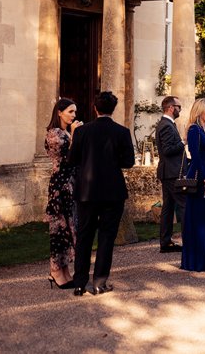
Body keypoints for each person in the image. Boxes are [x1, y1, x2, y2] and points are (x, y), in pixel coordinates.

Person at [68, 91, 135, 295]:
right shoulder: (122, 132)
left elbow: (72, 160)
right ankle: (99, 282)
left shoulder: (81, 132)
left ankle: (79, 282)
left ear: (95, 108)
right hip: (112, 191)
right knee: (107, 237)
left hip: (87, 191)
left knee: (85, 235)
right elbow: (129, 162)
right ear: (112, 109)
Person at [45, 97, 82, 289]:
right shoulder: (54, 134)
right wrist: (75, 134)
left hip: (71, 184)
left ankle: (65, 271)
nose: (74, 115)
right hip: (60, 186)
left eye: (75, 112)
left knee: (69, 228)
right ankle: (55, 271)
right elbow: (68, 160)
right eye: (70, 111)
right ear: (59, 112)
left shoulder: (66, 133)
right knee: (59, 229)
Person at [181, 98, 205, 272]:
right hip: (199, 179)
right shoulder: (194, 129)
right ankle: (196, 261)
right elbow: (195, 156)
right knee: (198, 219)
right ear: (200, 111)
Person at [155, 95, 186, 253]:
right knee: (183, 206)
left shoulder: (167, 124)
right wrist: (183, 142)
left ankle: (165, 242)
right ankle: (189, 240)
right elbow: (167, 150)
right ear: (171, 107)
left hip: (168, 172)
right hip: (171, 172)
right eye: (178, 107)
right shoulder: (166, 125)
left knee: (168, 208)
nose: (180, 109)